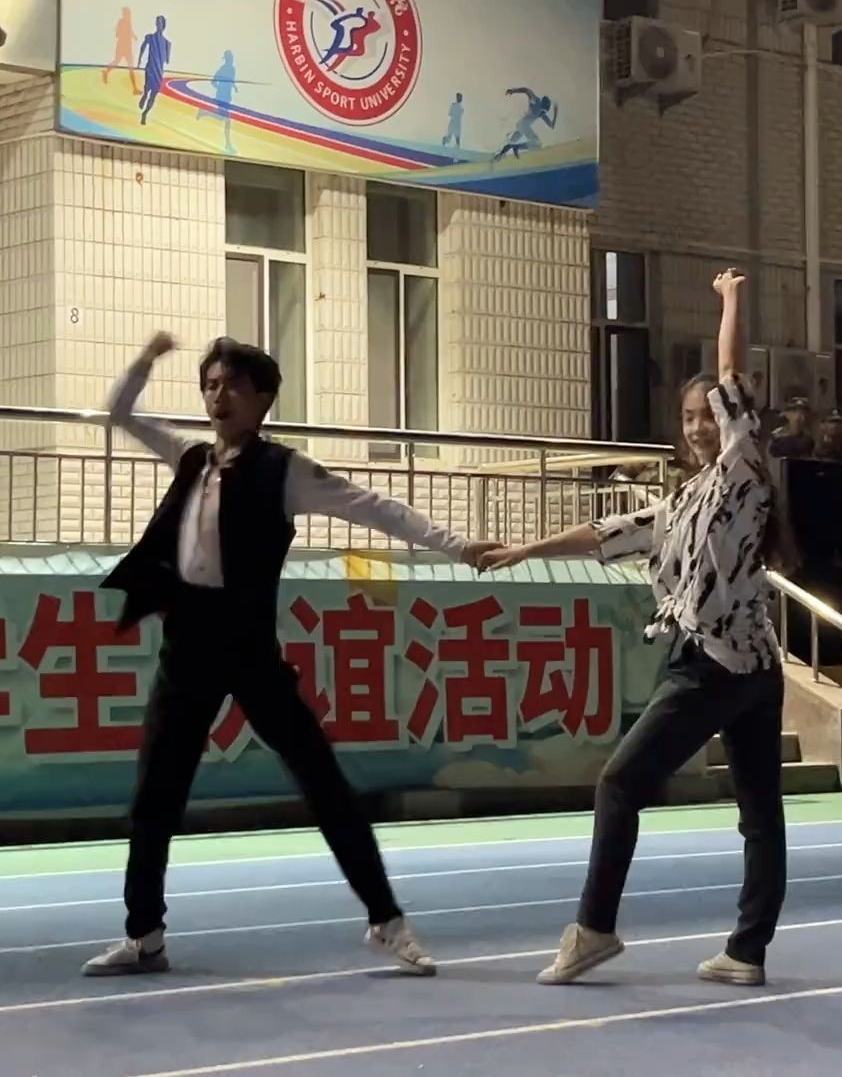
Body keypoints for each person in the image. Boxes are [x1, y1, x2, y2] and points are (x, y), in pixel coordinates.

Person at [83, 332, 496, 978]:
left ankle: (387, 921)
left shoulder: (286, 471)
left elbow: (376, 509)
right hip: (185, 645)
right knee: (154, 795)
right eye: (210, 385)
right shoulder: (189, 458)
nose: (218, 396)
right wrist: (146, 359)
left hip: (248, 647)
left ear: (263, 398)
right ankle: (145, 938)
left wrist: (458, 546)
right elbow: (120, 412)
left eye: (233, 385)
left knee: (323, 782)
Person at [480, 269, 793, 987]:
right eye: (687, 418)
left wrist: (731, 301)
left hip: (714, 666)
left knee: (621, 783)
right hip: (753, 666)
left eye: (707, 416)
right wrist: (525, 550)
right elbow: (606, 532)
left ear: (730, 422)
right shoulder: (684, 501)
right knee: (758, 815)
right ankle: (747, 952)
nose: (697, 427)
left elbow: (732, 375)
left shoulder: (744, 469)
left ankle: (594, 929)